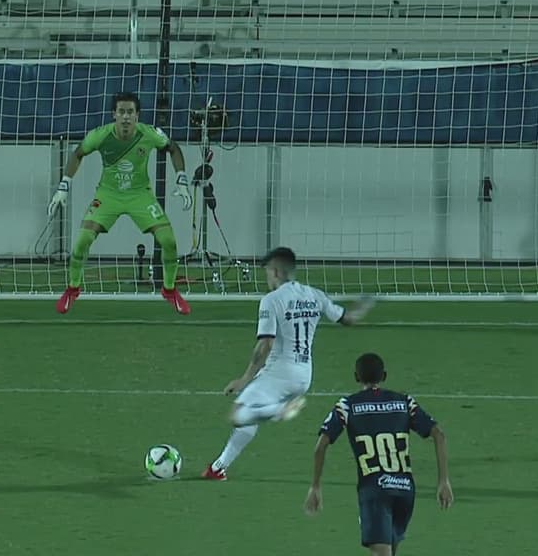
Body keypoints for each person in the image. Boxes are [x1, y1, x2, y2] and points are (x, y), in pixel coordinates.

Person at [201, 246, 373, 480]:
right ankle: (218, 468)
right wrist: (365, 304)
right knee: (251, 414)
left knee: (237, 413)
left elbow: (265, 344)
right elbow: (348, 319)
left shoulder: (272, 300)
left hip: (280, 372)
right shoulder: (315, 295)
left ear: (275, 271)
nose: (267, 278)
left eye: (267, 272)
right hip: (304, 376)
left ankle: (279, 411)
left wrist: (244, 378)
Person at [48, 91, 193, 314]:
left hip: (140, 195)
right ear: (113, 114)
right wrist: (63, 186)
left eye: (130, 112)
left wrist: (181, 179)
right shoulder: (100, 135)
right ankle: (73, 288)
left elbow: (173, 148)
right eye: (121, 112)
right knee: (82, 241)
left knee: (169, 242)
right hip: (108, 195)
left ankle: (169, 290)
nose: (126, 117)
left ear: (137, 115)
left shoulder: (149, 134)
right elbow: (78, 154)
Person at [304, 353, 453, 556]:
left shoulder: (348, 405)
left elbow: (320, 446)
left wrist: (315, 486)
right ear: (384, 376)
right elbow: (439, 435)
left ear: (356, 377)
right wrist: (444, 481)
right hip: (404, 489)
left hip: (374, 491)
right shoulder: (404, 402)